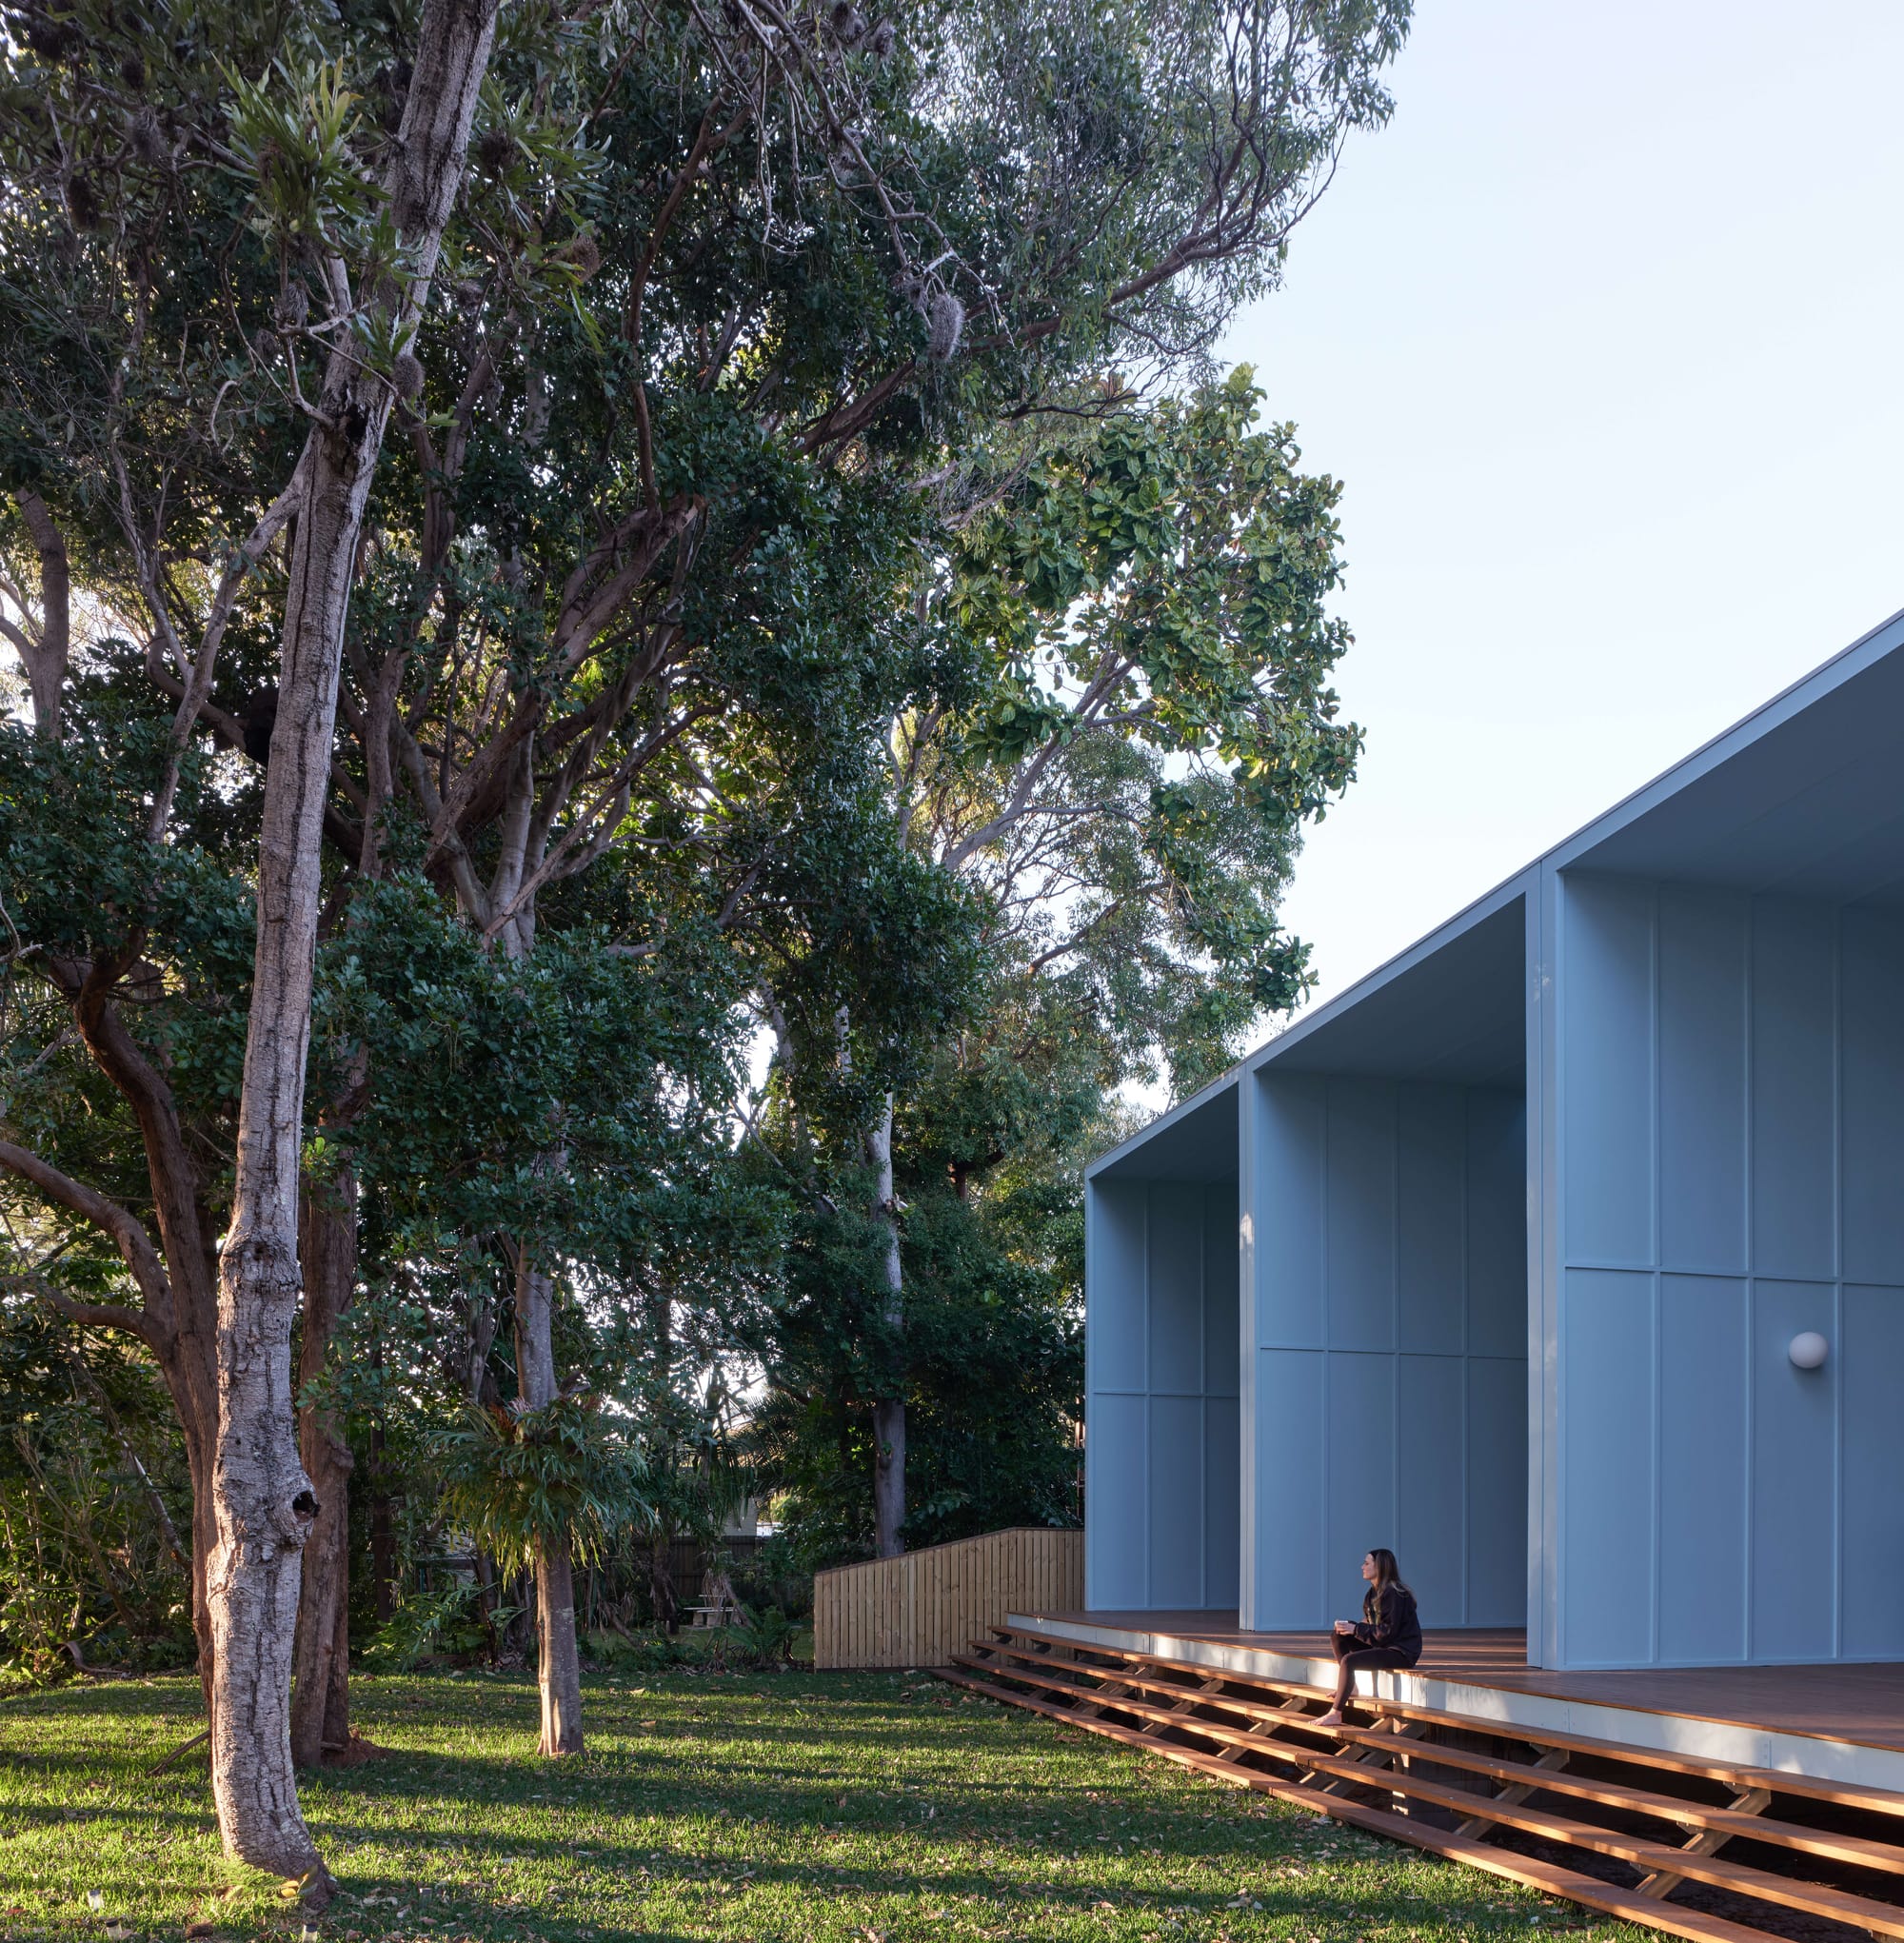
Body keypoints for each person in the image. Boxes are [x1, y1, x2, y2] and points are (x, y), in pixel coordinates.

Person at [1313, 1547, 1420, 1731]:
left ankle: (1336, 1713)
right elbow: (1372, 1625)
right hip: (1384, 1645)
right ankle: (1350, 1687)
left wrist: (1356, 1629)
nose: (1362, 1566)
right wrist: (1350, 1628)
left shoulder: (1395, 1594)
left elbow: (1387, 1633)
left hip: (1400, 1652)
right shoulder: (1372, 1594)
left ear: (1380, 1567)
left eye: (1367, 1563)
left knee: (1349, 1661)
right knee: (1338, 1636)